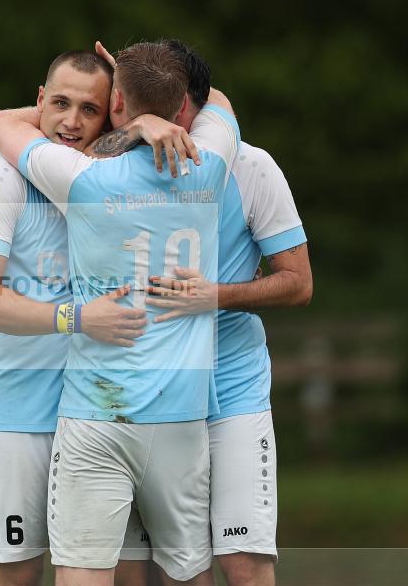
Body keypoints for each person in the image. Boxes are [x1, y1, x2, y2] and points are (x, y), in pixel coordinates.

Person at [0, 41, 239, 585]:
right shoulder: (212, 167)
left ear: (114, 103)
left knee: (82, 573)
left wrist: (134, 119)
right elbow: (216, 97)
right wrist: (152, 108)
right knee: (187, 575)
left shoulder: (84, 179)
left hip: (96, 415)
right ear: (181, 113)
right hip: (180, 417)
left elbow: (0, 122)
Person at [94, 40, 312, 586]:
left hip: (232, 389)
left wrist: (214, 294)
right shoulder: (110, 161)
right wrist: (134, 121)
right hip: (146, 393)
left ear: (188, 107)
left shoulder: (250, 167)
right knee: (153, 570)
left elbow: (298, 283)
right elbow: (49, 143)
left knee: (243, 563)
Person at [0, 50, 152, 586]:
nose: (71, 121)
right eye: (59, 103)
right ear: (38, 102)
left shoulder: (106, 174)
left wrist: (143, 115)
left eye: (89, 109)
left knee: (127, 572)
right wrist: (77, 318)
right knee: (19, 575)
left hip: (98, 412)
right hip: (16, 412)